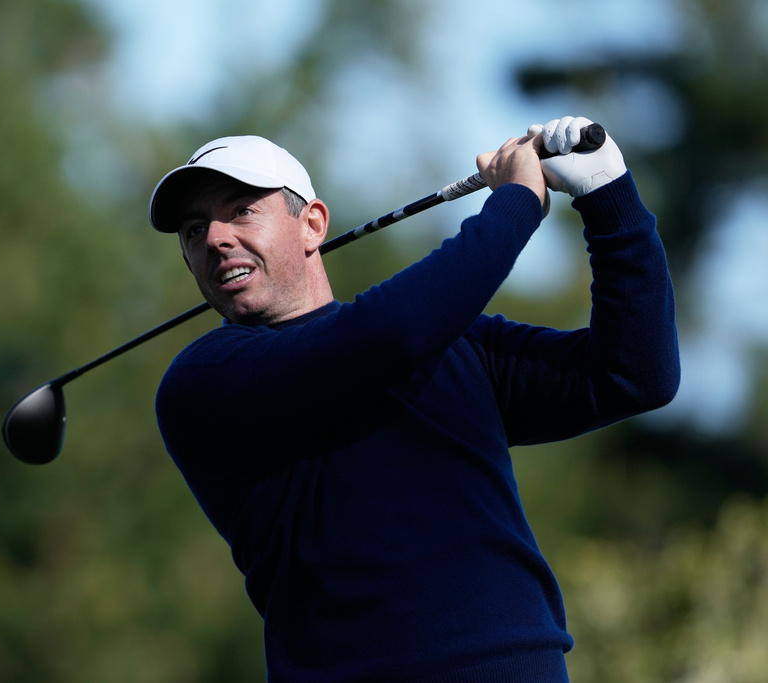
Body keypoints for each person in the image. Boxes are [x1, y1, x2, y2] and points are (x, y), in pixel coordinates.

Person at [147, 117, 680, 682]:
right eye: (193, 230)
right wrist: (518, 202)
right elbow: (389, 335)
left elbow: (635, 373)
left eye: (241, 210)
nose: (215, 238)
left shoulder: (460, 344)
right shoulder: (203, 382)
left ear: (312, 224)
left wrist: (609, 195)